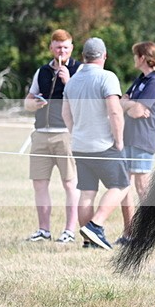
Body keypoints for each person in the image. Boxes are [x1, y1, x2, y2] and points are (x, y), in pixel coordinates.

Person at [62, 37, 129, 250]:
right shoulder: (107, 77)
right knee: (121, 185)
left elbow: (65, 113)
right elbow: (115, 111)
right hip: (103, 144)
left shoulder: (72, 81)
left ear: (83, 57)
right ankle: (96, 226)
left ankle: (89, 242)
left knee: (87, 192)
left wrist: (76, 133)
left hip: (80, 144)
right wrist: (118, 140)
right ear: (104, 56)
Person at [23, 29, 81, 244]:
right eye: (58, 47)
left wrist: (69, 82)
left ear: (71, 48)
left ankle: (69, 231)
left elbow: (86, 101)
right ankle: (43, 230)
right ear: (51, 48)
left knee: (70, 184)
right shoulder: (42, 72)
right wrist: (33, 104)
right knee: (39, 184)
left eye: (65, 47)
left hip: (65, 135)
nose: (61, 51)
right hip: (40, 135)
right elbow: (27, 101)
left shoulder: (79, 70)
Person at [118, 41, 155, 245]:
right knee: (123, 184)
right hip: (128, 136)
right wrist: (129, 104)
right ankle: (130, 232)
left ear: (142, 57)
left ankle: (148, 232)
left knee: (142, 186)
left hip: (142, 138)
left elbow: (138, 110)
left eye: (135, 55)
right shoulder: (141, 79)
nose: (134, 59)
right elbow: (123, 102)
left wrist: (129, 105)